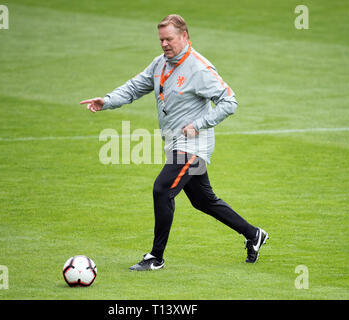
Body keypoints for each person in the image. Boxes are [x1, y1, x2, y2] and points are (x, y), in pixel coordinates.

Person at [80, 14, 268, 270]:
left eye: (169, 39)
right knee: (203, 200)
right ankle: (253, 234)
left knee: (162, 189)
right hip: (175, 143)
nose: (164, 44)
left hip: (194, 146)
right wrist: (107, 100)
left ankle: (156, 257)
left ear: (184, 37)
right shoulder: (160, 64)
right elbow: (135, 87)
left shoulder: (199, 69)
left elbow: (229, 102)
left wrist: (199, 125)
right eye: (161, 40)